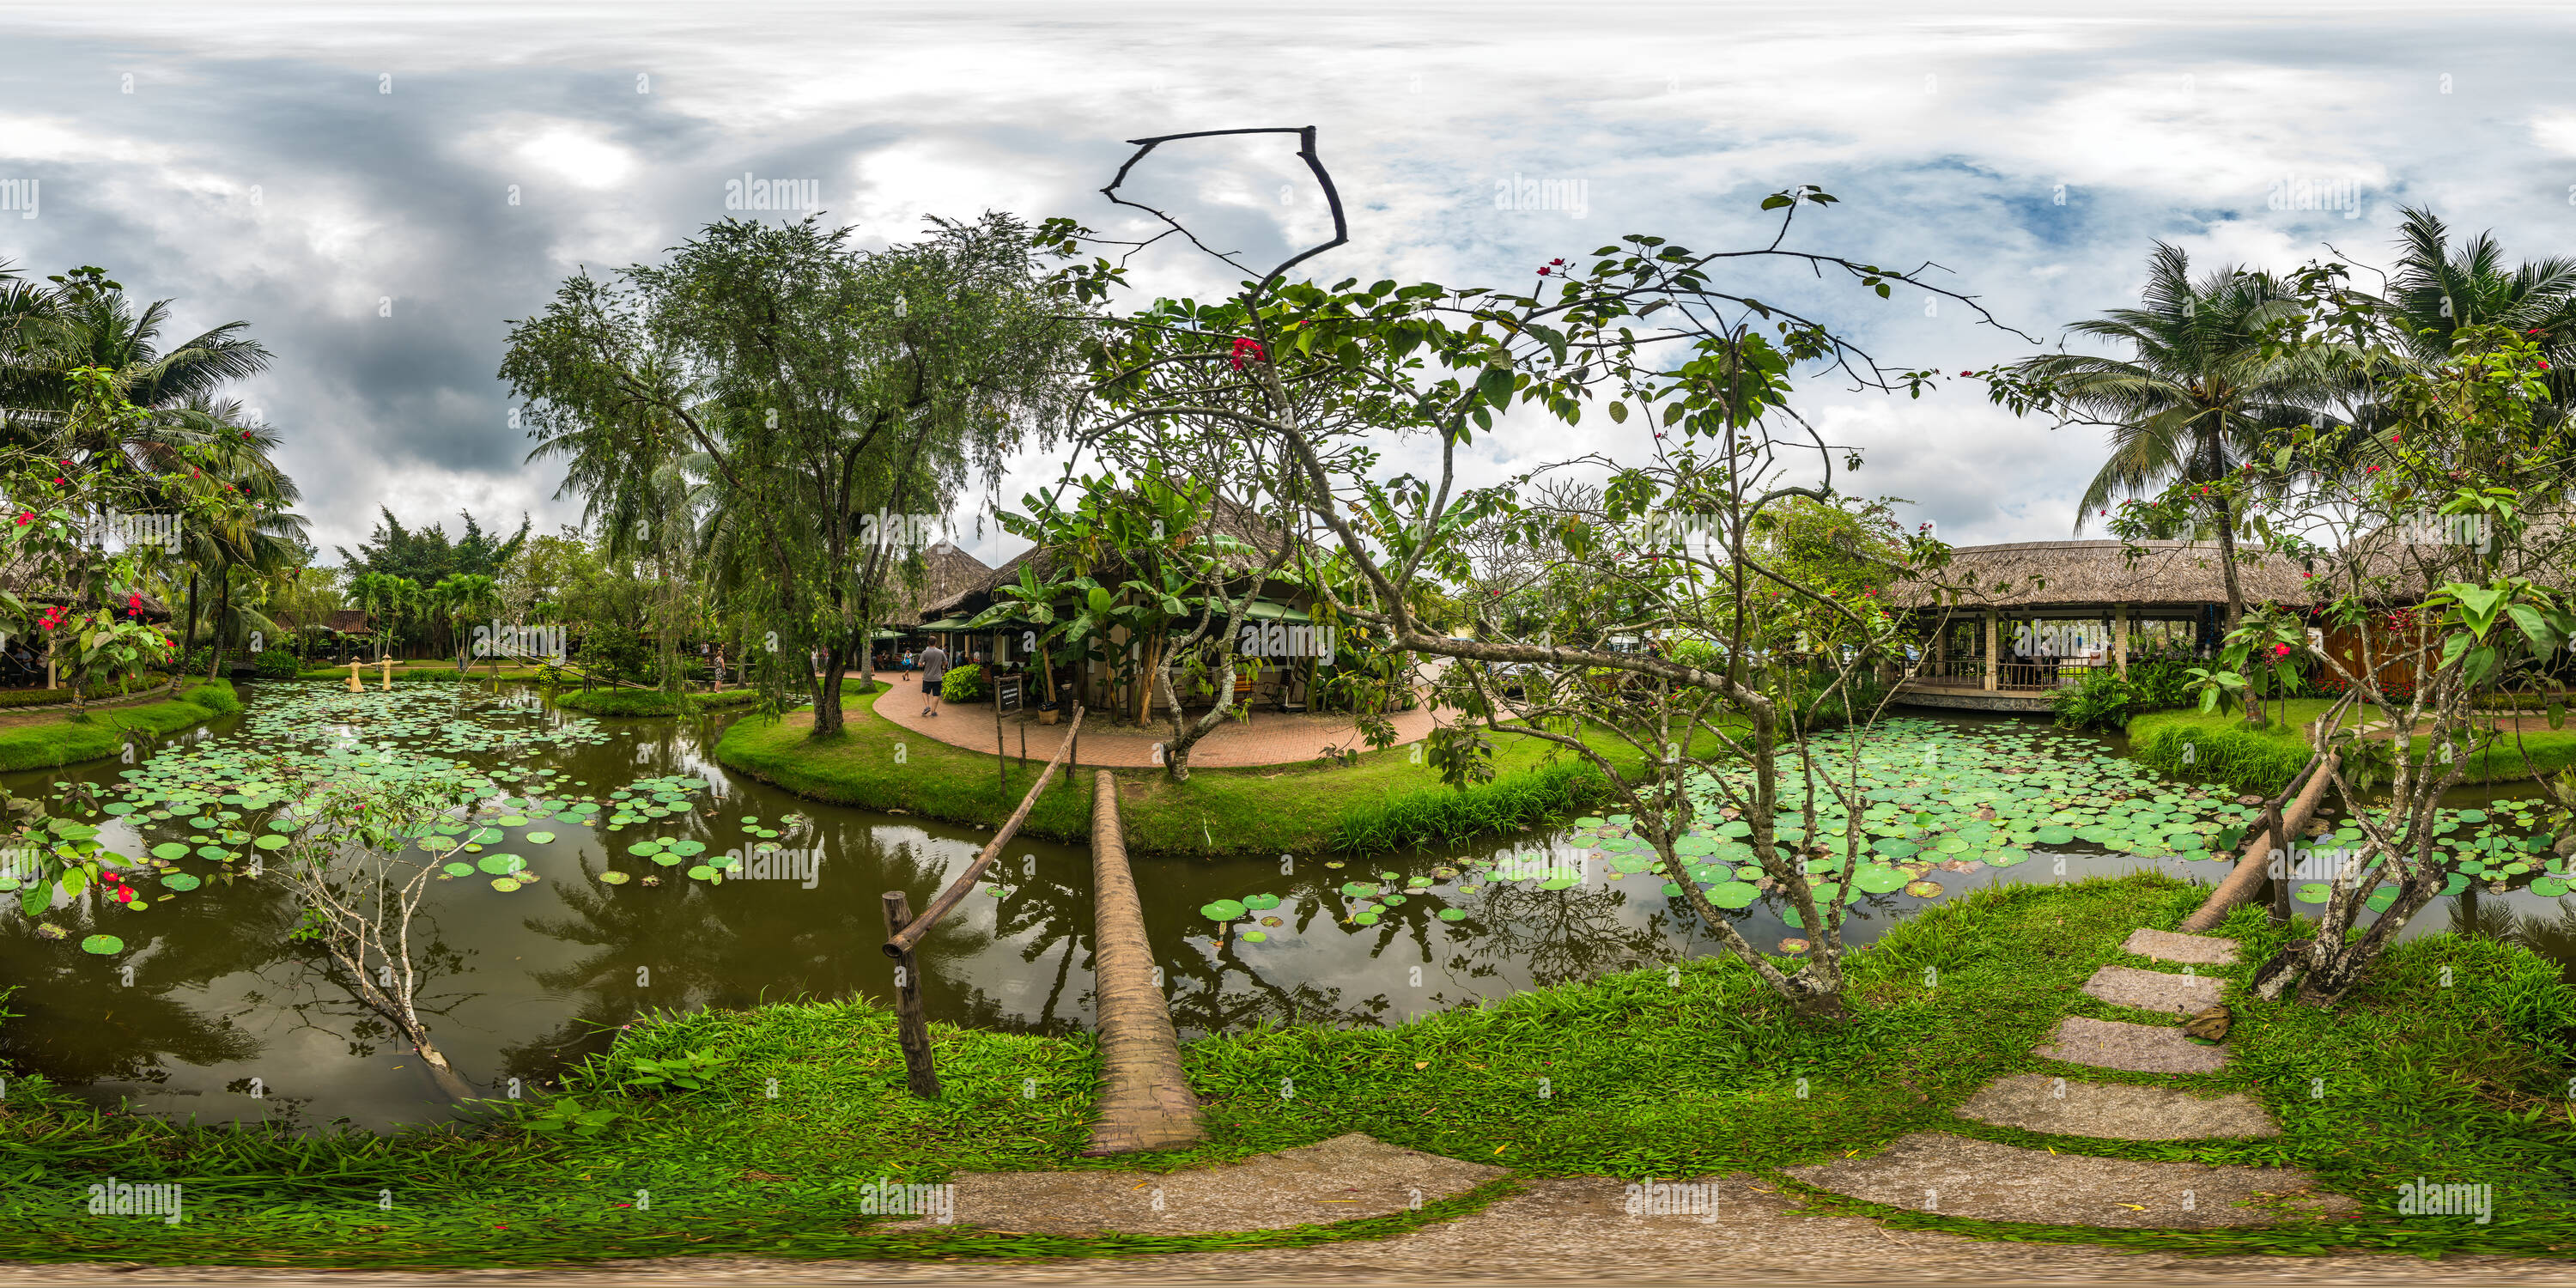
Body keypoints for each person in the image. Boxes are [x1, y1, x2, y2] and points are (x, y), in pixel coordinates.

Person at [918, 641, 948, 717]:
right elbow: (946, 663)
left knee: (924, 692)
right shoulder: (940, 652)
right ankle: (933, 712)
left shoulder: (924, 653)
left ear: (928, 643)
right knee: (936, 694)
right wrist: (940, 664)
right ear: (935, 643)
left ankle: (927, 706)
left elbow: (919, 664)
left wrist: (925, 664)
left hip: (927, 677)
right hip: (937, 678)